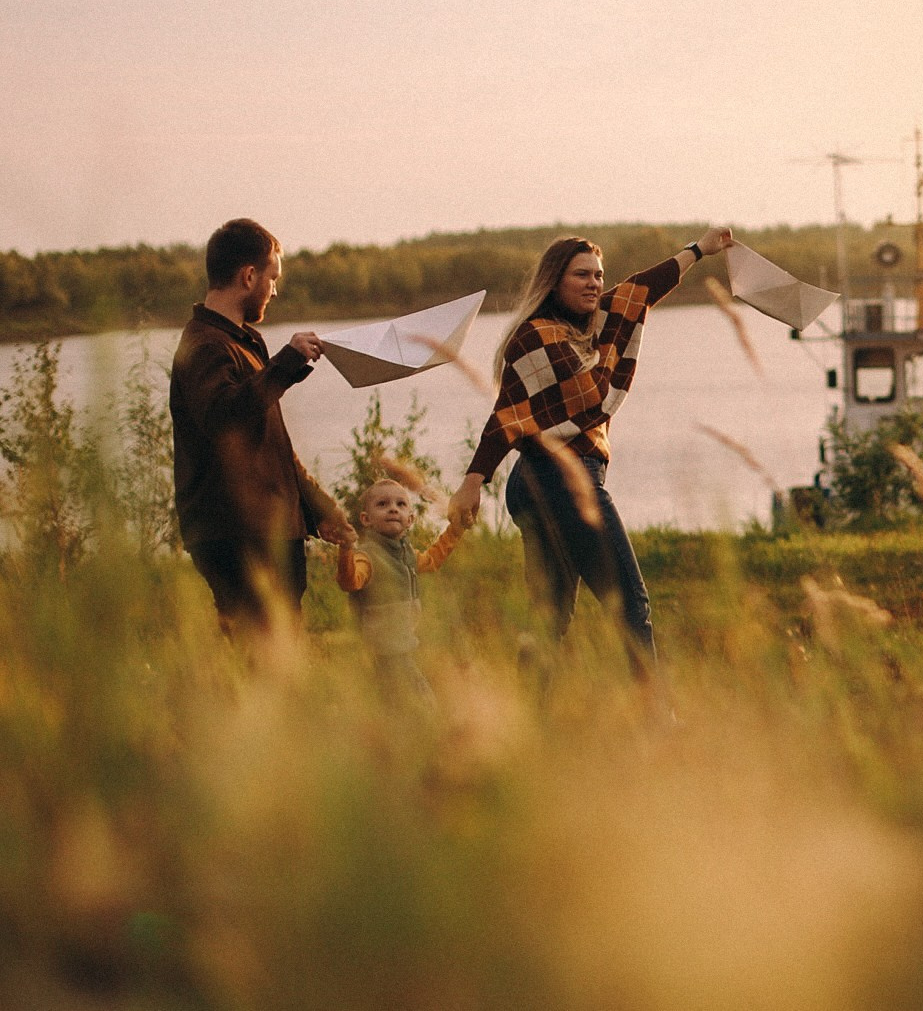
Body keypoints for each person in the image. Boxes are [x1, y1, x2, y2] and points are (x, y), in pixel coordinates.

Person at [448, 227, 734, 670]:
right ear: (554, 280)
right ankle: (655, 720)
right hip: (561, 477)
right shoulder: (537, 336)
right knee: (629, 604)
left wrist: (698, 251)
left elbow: (642, 288)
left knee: (550, 618)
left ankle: (528, 718)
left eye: (599, 276)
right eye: (581, 275)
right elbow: (511, 414)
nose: (594, 284)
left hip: (544, 480)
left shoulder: (592, 328)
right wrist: (472, 481)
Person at [170, 218, 353, 636]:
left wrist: (317, 507)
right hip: (237, 535)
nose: (275, 289)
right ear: (248, 276)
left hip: (268, 530)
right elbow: (222, 418)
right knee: (262, 663)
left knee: (280, 658)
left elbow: (272, 447)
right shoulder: (204, 346)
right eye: (272, 278)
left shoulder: (245, 343)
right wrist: (285, 364)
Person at [336, 478, 463, 708]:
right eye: (382, 504)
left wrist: (456, 529)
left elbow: (433, 559)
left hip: (402, 649)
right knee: (422, 705)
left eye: (401, 504)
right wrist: (346, 550)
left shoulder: (407, 554)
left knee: (395, 707)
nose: (393, 508)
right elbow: (350, 581)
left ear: (410, 519)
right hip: (381, 654)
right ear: (366, 519)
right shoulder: (367, 556)